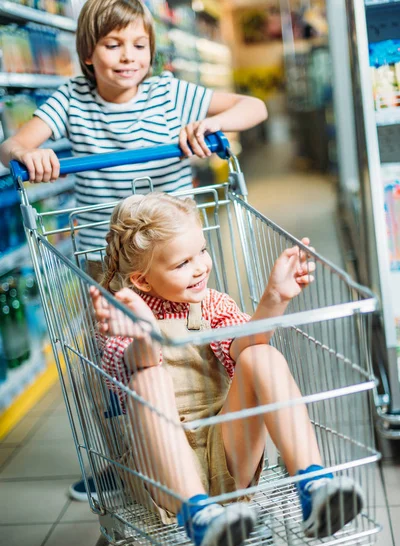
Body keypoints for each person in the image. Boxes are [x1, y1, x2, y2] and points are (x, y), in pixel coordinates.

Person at [0, 0, 268, 499]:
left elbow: (255, 107)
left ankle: (205, 443)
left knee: (193, 345)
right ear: (87, 52)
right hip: (104, 264)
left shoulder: (171, 94)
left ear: (152, 51)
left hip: (171, 258)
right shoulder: (71, 101)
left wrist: (213, 125)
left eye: (139, 45)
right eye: (113, 44)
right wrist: (28, 152)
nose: (128, 56)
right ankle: (120, 461)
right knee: (109, 367)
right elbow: (14, 144)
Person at [89, 192, 365, 546]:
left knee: (260, 354)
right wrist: (143, 334)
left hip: (227, 449)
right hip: (165, 471)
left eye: (201, 251)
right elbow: (137, 363)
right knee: (145, 378)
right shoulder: (124, 315)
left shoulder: (213, 304)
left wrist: (274, 298)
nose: (201, 267)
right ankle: (201, 518)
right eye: (183, 263)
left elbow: (243, 347)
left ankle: (314, 484)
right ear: (142, 279)